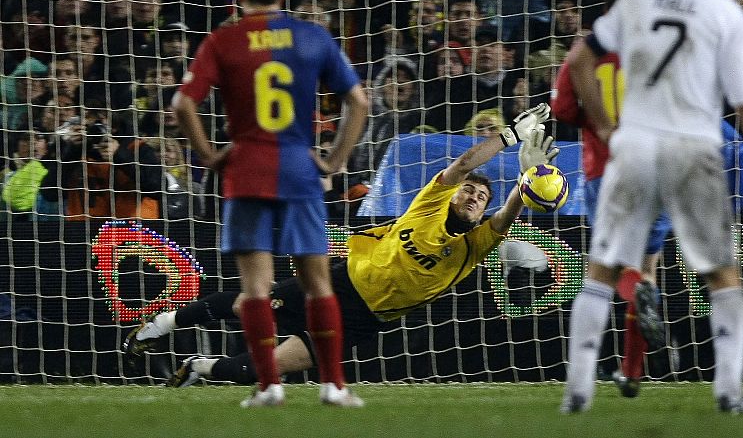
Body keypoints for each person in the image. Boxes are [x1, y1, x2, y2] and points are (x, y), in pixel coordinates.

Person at [125, 104, 556, 388]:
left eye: (481, 198)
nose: (473, 198)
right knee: (246, 306)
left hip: (365, 322)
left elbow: (508, 215)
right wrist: (509, 137)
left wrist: (528, 179)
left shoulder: (476, 244)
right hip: (340, 284)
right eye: (469, 192)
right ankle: (160, 326)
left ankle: (198, 368)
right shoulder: (429, 206)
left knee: (265, 370)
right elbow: (463, 165)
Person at [561, 0, 743, 415]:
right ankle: (728, 391)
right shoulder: (725, 11)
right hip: (693, 145)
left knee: (601, 268)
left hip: (634, 146)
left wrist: (602, 124)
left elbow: (579, 60)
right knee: (722, 273)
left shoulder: (638, 0)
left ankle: (577, 392)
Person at [171, 0, 369, 408]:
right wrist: (334, 160)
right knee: (318, 281)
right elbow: (358, 101)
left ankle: (269, 387)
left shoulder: (223, 40)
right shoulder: (312, 36)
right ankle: (334, 386)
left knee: (256, 287)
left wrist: (209, 156)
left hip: (246, 169)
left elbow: (183, 106)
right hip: (300, 167)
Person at [551, 0, 668, 399]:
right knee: (647, 265)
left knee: (613, 269)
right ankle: (632, 373)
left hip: (608, 169)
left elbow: (562, 108)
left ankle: (597, 370)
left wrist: (595, 123)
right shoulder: (662, 45)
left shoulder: (587, 51)